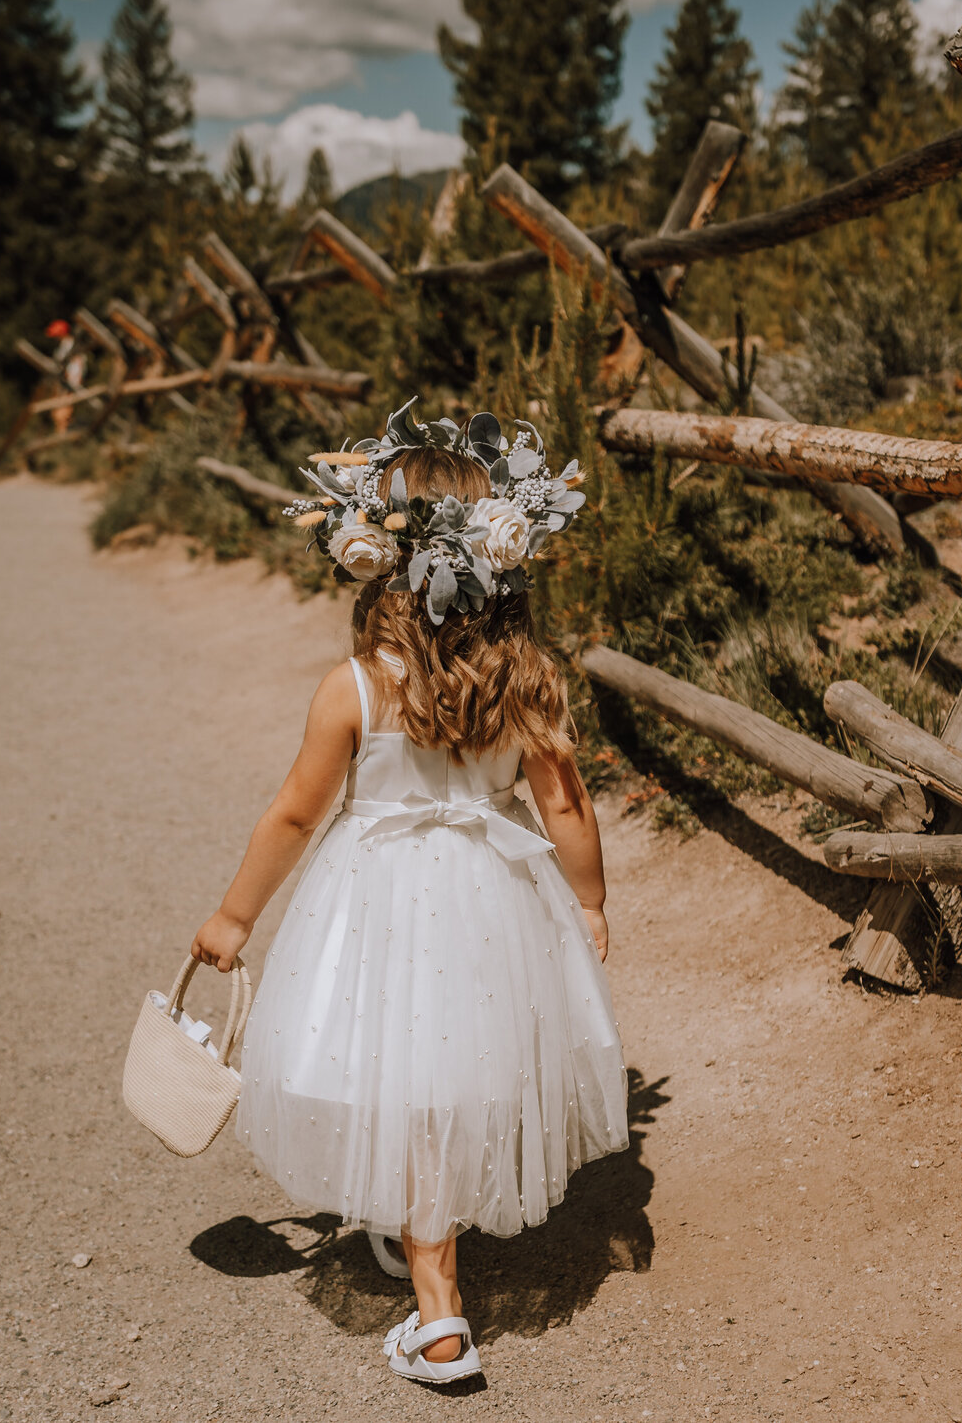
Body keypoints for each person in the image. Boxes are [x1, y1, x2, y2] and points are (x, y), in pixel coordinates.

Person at [192, 399, 628, 1385]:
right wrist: (589, 899)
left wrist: (236, 917)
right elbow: (564, 804)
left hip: (375, 897)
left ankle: (439, 1317)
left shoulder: (353, 685)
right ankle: (424, 1220)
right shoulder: (527, 673)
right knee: (453, 1066)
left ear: (380, 557)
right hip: (489, 899)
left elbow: (297, 817)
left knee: (395, 1067)